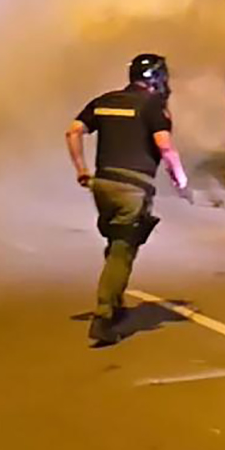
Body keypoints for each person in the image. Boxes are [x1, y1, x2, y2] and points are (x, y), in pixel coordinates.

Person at [66, 54, 187, 347]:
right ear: (156, 79)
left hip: (102, 184)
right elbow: (165, 148)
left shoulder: (104, 100)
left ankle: (116, 302)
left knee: (115, 242)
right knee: (123, 249)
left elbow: (73, 131)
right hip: (132, 187)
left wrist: (82, 170)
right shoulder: (153, 106)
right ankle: (105, 314)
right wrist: (180, 180)